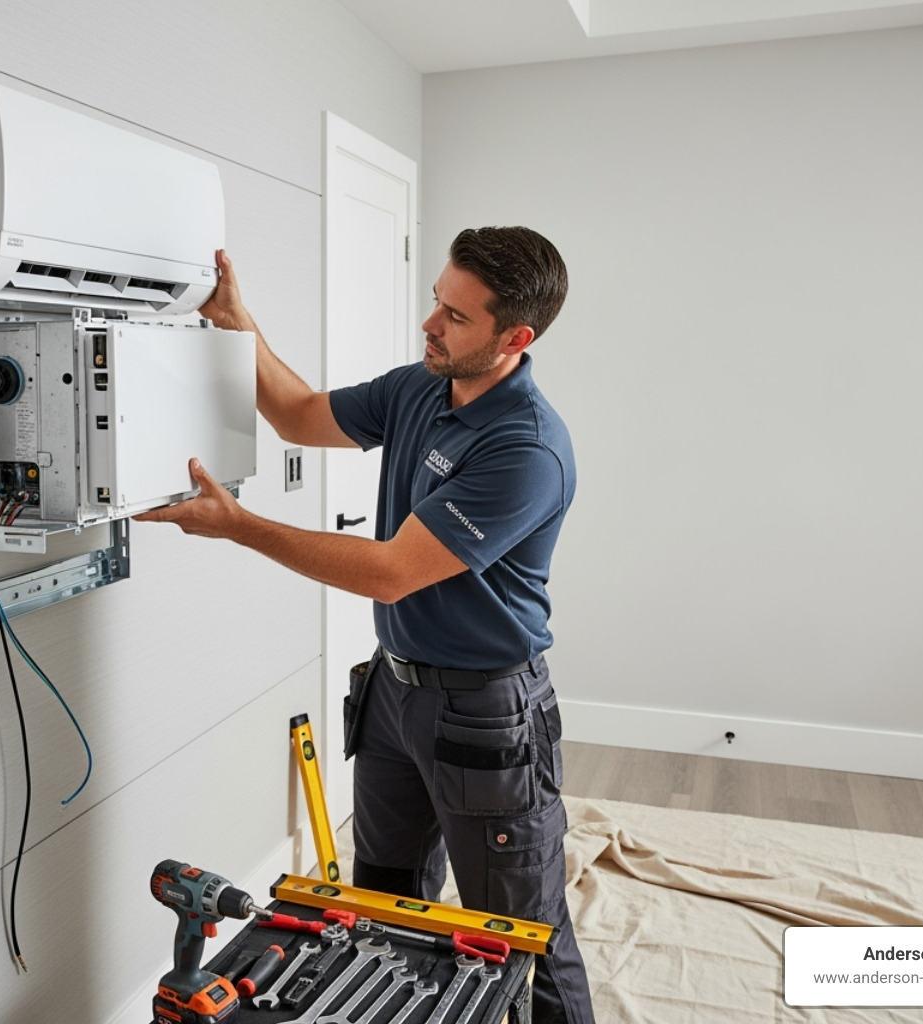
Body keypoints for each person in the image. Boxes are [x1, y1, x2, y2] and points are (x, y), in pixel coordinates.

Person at [136, 227, 595, 1024]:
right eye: (436, 302)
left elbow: (389, 569)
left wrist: (240, 525)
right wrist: (236, 322)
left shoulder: (526, 447)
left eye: (456, 315)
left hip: (485, 711)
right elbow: (299, 414)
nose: (431, 325)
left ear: (514, 338)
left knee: (522, 936)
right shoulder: (422, 385)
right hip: (394, 692)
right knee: (384, 908)